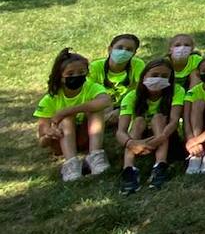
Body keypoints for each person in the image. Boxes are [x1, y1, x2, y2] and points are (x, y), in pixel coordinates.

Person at [35, 48, 111, 182]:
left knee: (95, 108)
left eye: (81, 72)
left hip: (85, 137)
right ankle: (71, 164)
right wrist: (49, 134)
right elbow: (42, 142)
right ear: (60, 76)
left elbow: (105, 101)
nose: (76, 76)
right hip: (61, 142)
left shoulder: (91, 87)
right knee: (66, 120)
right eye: (70, 73)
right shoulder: (50, 100)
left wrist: (67, 111)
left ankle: (95, 156)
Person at [116, 58, 183, 193]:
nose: (159, 79)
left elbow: (174, 121)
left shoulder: (177, 91)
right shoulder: (131, 96)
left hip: (167, 134)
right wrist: (131, 143)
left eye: (164, 76)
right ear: (144, 76)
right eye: (154, 75)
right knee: (138, 121)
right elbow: (120, 131)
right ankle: (128, 169)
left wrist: (160, 137)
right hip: (138, 136)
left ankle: (160, 165)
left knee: (159, 118)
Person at [89, 33, 144, 112]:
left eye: (129, 50)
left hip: (126, 107)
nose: (123, 52)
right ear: (110, 49)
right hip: (102, 107)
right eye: (120, 47)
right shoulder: (95, 66)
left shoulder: (137, 64)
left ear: (134, 53)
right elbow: (89, 92)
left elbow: (142, 87)